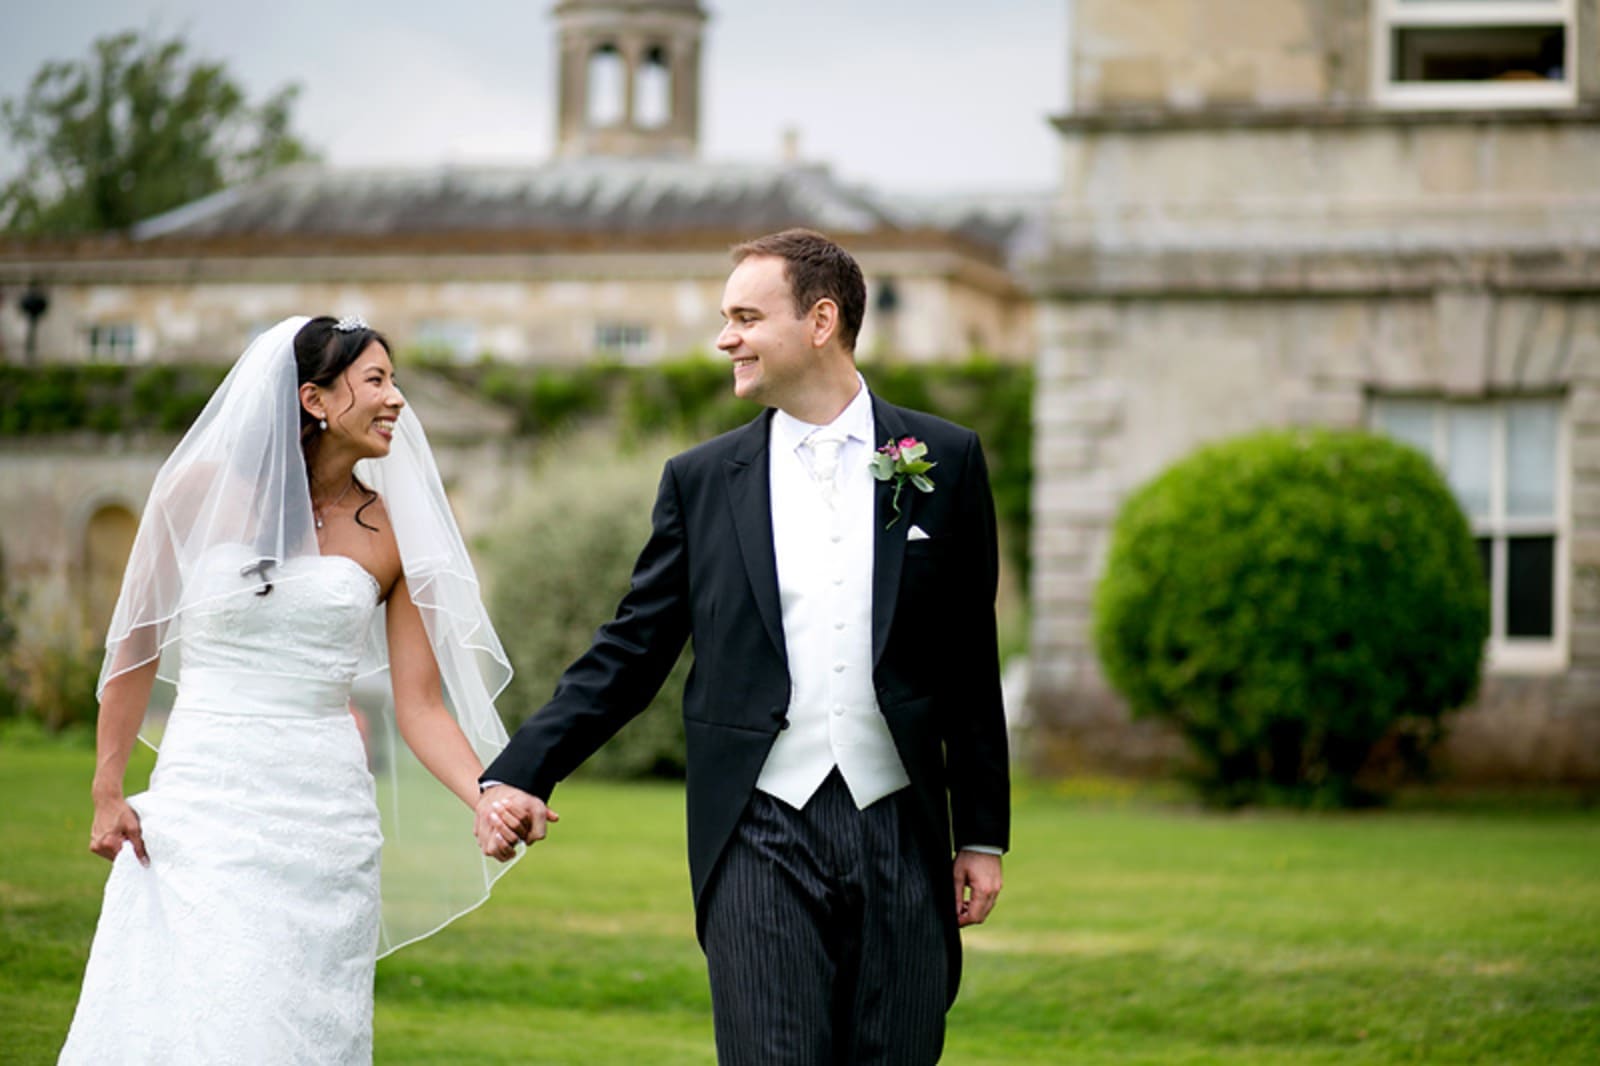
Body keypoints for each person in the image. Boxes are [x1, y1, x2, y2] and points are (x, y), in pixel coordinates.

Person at [478, 229, 1010, 1064]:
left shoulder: (944, 458)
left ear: (821, 321)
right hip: (758, 831)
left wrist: (980, 833)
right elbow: (632, 649)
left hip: (903, 828)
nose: (725, 338)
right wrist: (522, 767)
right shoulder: (701, 482)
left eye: (745, 317)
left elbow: (968, 659)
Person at [59, 315, 523, 1064]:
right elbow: (136, 645)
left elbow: (422, 705)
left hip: (322, 819)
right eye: (377, 380)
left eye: (395, 381)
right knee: (187, 1008)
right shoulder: (195, 492)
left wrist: (489, 795)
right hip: (200, 801)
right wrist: (108, 786)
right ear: (313, 398)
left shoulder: (394, 532)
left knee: (290, 1023)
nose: (397, 399)